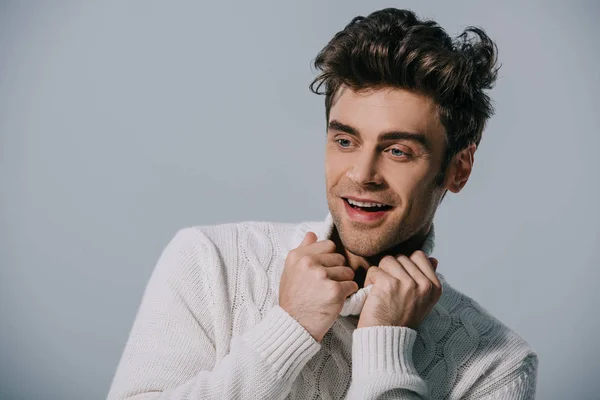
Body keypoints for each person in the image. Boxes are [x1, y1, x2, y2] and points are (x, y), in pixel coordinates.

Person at [107, 8, 538, 400]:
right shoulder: (211, 261)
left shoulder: (497, 366)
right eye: (345, 141)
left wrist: (386, 348)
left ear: (458, 169)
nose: (361, 174)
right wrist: (288, 328)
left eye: (398, 151)